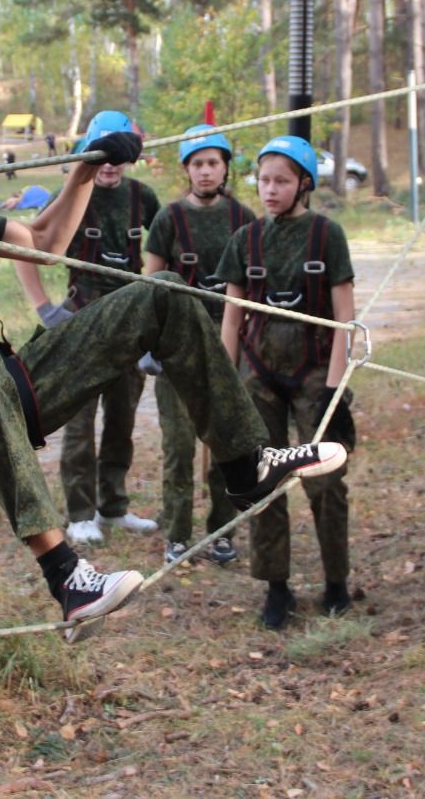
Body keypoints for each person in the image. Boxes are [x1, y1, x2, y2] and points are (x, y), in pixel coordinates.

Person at [0, 78, 347, 641]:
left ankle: (245, 463)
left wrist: (85, 170)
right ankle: (68, 579)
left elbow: (42, 241)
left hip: (3, 387)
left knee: (160, 291)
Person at [216, 135, 358, 630]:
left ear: (303, 184)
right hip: (258, 376)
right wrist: (225, 388)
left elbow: (346, 318)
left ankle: (337, 582)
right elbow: (232, 319)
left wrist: (335, 394)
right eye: (264, 180)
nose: (270, 190)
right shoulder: (246, 241)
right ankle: (276, 588)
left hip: (316, 375)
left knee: (325, 484)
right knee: (263, 481)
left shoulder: (327, 236)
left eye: (281, 181)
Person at [142, 124, 256, 565]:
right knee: (179, 446)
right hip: (177, 347)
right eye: (197, 164)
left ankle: (223, 531)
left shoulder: (242, 219)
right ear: (187, 170)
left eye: (213, 163)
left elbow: (253, 281)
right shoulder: (169, 219)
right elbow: (149, 281)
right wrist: (148, 341)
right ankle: (177, 534)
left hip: (230, 345)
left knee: (228, 441)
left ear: (225, 168)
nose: (206, 172)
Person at [52, 111, 162, 546]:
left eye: (117, 155)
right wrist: (45, 308)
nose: (110, 164)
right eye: (101, 154)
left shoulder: (142, 198)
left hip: (129, 325)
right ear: (87, 156)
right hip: (82, 322)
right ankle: (80, 513)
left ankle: (113, 506)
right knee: (79, 423)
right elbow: (34, 241)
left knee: (121, 419)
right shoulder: (73, 194)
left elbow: (169, 245)